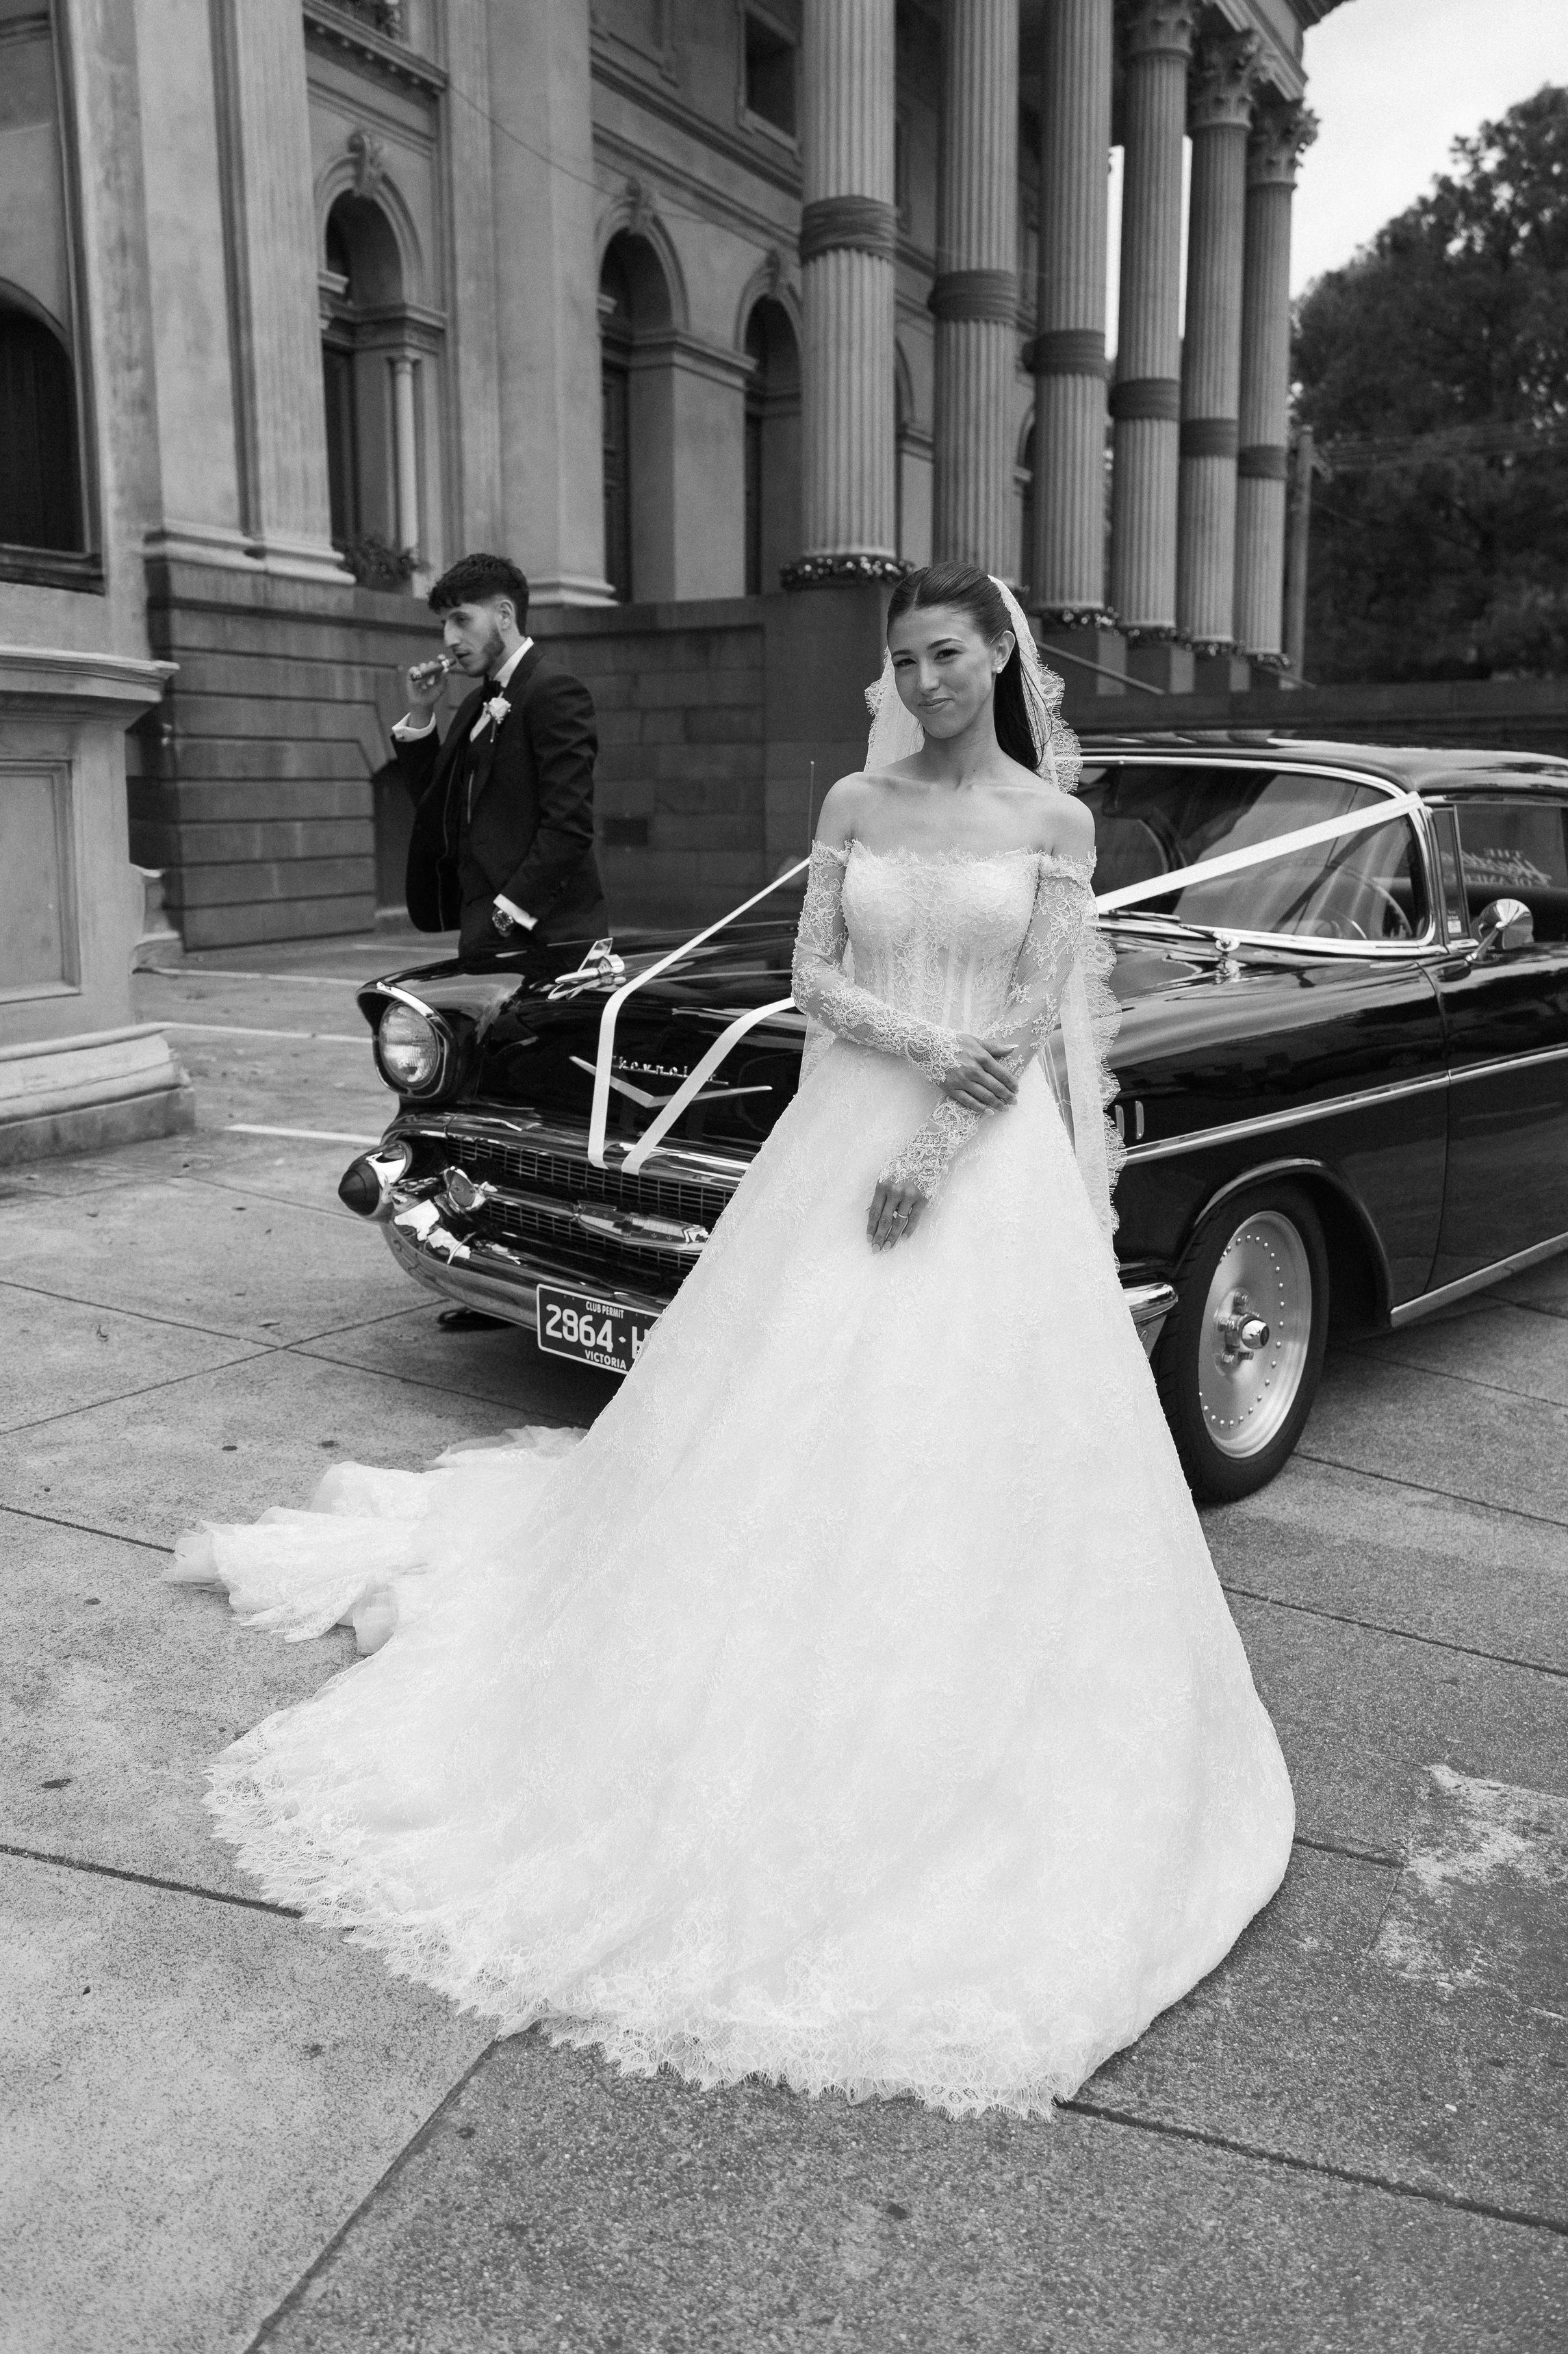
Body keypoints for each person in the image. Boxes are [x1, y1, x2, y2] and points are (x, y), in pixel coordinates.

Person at [167, 561, 1294, 2121]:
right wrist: (917, 1057)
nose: (927, 680)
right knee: (779, 1409)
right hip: (847, 1124)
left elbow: (1034, 1020)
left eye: (950, 654)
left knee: (976, 1445)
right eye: (907, 657)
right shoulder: (854, 802)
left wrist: (936, 1145)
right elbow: (820, 976)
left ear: (1001, 658)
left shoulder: (1054, 824)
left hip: (984, 1170)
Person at [392, 551, 606, 966]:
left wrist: (505, 915)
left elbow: (569, 827)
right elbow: (437, 809)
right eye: (444, 624)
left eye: (461, 619)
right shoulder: (475, 704)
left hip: (548, 940)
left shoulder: (555, 691)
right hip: (484, 935)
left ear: (505, 615)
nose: (450, 638)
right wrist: (421, 713)